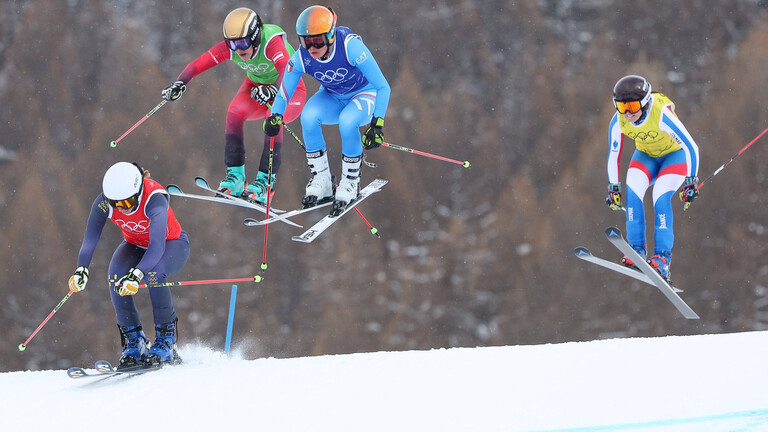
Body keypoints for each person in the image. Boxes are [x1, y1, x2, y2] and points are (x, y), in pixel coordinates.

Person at [161, 7, 307, 204]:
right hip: (256, 87)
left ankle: (265, 184)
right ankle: (236, 178)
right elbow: (199, 64)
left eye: (242, 42)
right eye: (231, 44)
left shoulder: (271, 41)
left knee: (273, 117)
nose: (238, 49)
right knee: (235, 112)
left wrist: (273, 89)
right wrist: (180, 83)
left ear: (255, 37)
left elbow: (287, 72)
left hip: (291, 90)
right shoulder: (233, 48)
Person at [264, 5, 391, 215]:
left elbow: (383, 86)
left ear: (331, 36)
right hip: (333, 96)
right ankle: (321, 179)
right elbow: (284, 92)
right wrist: (275, 116)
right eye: (306, 41)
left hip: (364, 94)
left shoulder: (350, 47)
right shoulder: (301, 58)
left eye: (317, 41)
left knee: (348, 121)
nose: (311, 47)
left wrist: (377, 123)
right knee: (308, 116)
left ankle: (350, 181)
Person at [68, 162, 190, 370]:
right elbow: (90, 240)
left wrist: (136, 275)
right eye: (116, 204)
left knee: (154, 273)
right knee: (115, 275)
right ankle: (135, 341)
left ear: (139, 191)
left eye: (126, 203)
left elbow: (157, 245)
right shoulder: (105, 203)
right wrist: (82, 269)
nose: (122, 209)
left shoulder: (155, 200)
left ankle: (166, 341)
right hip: (135, 245)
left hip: (171, 245)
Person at [606, 75, 700, 280]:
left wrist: (691, 181)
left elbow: (691, 147)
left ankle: (663, 259)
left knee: (660, 196)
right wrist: (613, 187)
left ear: (645, 101)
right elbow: (614, 154)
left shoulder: (661, 114)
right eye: (621, 107)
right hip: (647, 156)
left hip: (674, 158)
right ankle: (636, 249)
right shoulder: (618, 120)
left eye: (631, 106)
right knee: (632, 190)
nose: (627, 113)